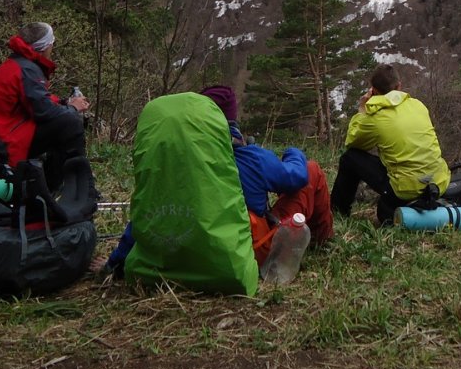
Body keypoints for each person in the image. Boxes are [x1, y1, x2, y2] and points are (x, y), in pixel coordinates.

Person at [101, 86, 333, 278]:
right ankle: (324, 241)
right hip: (247, 251)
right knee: (311, 170)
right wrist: (293, 153)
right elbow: (296, 177)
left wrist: (114, 263)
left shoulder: (178, 162)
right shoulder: (250, 156)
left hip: (188, 247)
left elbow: (145, 216)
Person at [0, 21, 90, 190]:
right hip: (1, 141)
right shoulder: (27, 70)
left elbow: (36, 100)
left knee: (64, 120)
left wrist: (64, 103)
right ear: (46, 47)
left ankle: (56, 184)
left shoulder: (19, 64)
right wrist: (72, 108)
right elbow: (44, 112)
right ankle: (72, 186)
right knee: (70, 124)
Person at [330, 63, 451, 225]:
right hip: (438, 183)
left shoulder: (374, 116)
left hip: (405, 189)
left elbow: (353, 142)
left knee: (349, 158)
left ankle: (338, 212)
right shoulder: (418, 105)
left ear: (373, 90)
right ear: (399, 86)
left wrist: (362, 110)